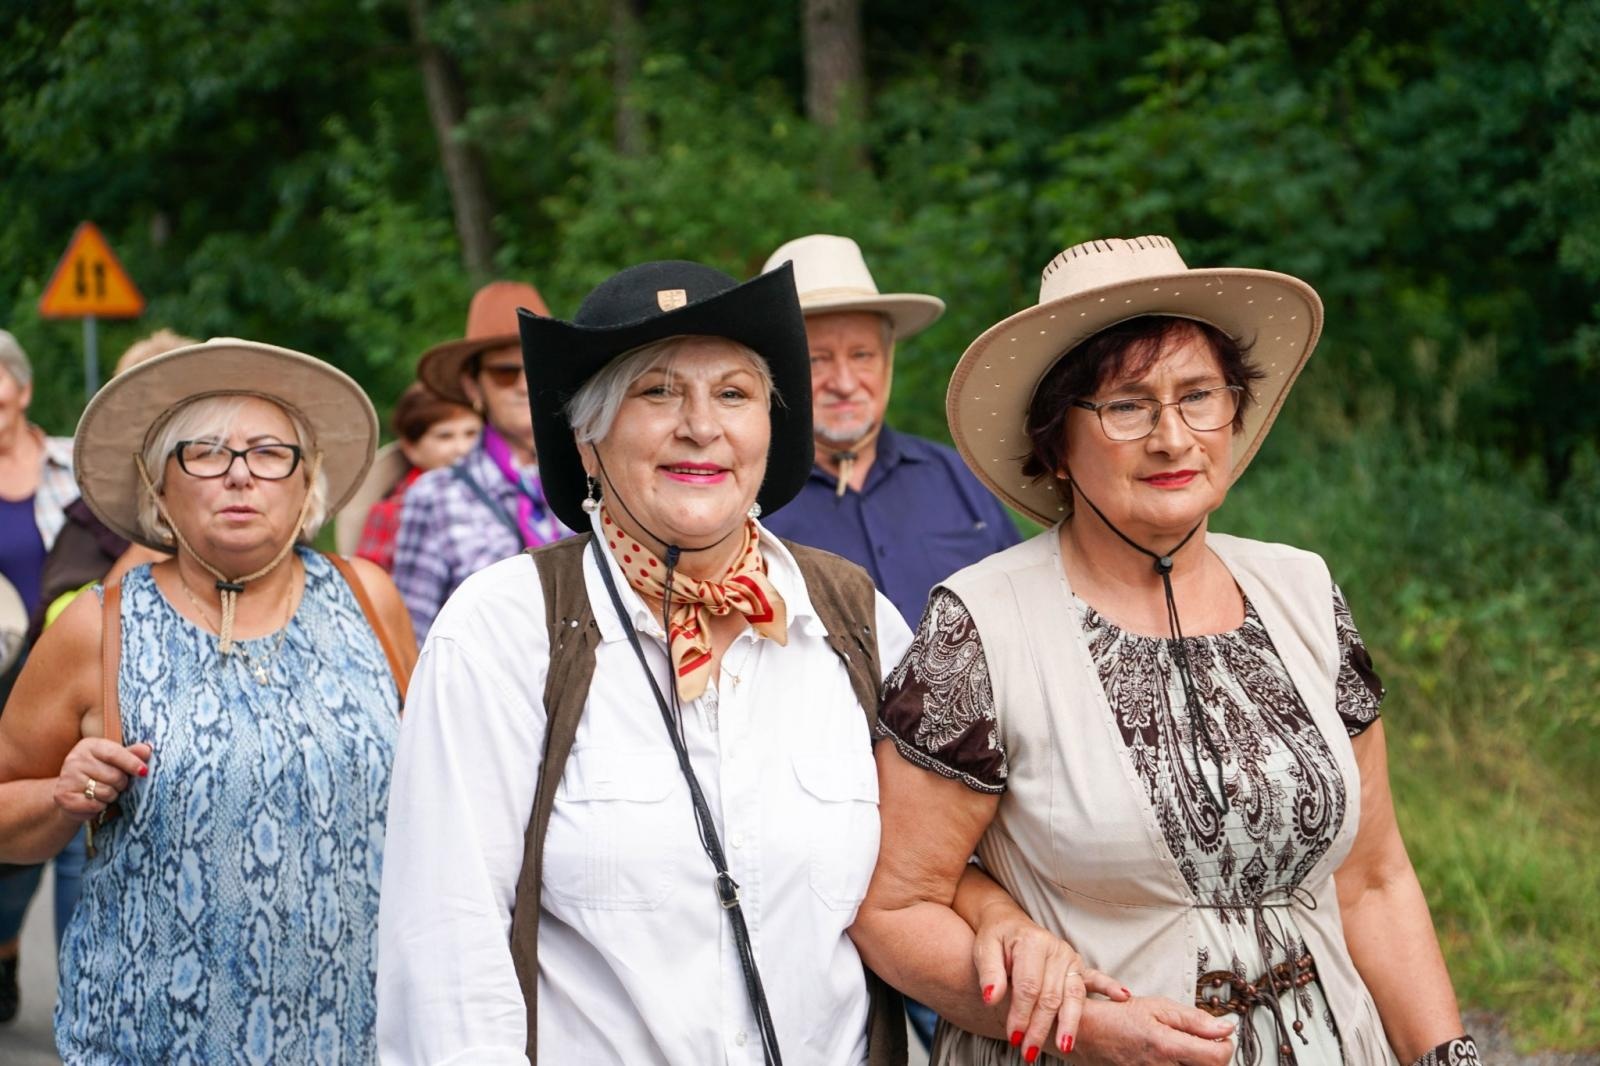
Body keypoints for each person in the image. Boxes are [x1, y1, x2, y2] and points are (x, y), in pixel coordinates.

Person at [850, 236, 1476, 1066]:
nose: (1173, 437)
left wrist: (1446, 1056)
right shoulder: (982, 626)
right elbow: (893, 910)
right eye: (1127, 406)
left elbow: (1375, 880)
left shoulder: (1303, 590)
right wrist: (1083, 1029)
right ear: (1055, 444)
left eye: (1198, 396)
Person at [378, 261, 914, 1065]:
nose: (701, 426)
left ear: (768, 432)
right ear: (588, 442)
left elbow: (936, 882)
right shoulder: (502, 630)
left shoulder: (854, 620)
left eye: (732, 393)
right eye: (657, 392)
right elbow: (446, 953)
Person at [0, 338, 416, 1062]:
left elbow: (432, 801)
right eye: (205, 453)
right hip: (152, 1041)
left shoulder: (368, 598)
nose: (240, 475)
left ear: (307, 480)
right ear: (158, 486)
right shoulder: (101, 628)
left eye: (270, 453)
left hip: (355, 1035)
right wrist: (63, 797)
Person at [759, 235, 1019, 626]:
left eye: (862, 355)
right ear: (775, 373)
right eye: (816, 359)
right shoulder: (749, 503)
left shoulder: (959, 478)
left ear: (887, 362)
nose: (844, 383)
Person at [392, 281, 570, 640]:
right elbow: (411, 636)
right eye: (505, 372)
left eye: (536, 367)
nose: (524, 385)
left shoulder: (592, 478)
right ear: (474, 387)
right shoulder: (436, 495)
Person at [0, 327, 77, 1025]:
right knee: (8, 836)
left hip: (65, 671)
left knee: (75, 822)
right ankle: (4, 948)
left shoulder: (71, 466)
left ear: (22, 390)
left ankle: (83, 999)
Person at [343, 382, 482, 571]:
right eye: (445, 436)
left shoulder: (507, 491)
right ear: (411, 447)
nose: (462, 448)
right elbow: (369, 580)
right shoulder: (393, 511)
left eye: (471, 433)